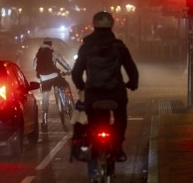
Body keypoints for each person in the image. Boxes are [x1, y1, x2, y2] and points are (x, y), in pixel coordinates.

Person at [71, 11, 139, 182]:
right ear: (112, 25)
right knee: (120, 117)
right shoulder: (119, 46)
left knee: (93, 121)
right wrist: (133, 83)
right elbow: (131, 68)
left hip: (93, 94)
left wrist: (81, 85)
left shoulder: (86, 46)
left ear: (94, 25)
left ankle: (95, 147)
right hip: (115, 93)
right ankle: (117, 146)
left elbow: (76, 72)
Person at [33, 37, 72, 125]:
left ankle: (45, 119)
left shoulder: (38, 54)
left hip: (44, 78)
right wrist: (69, 70)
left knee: (45, 98)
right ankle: (68, 102)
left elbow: (34, 67)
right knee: (65, 84)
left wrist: (40, 74)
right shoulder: (54, 53)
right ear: (51, 44)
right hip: (54, 76)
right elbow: (63, 63)